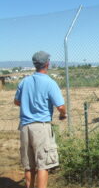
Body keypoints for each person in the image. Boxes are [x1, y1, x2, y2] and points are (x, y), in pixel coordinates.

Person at [14, 51, 67, 188]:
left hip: (25, 126)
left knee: (29, 166)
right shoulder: (50, 83)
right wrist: (62, 115)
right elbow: (61, 106)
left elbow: (17, 102)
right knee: (43, 165)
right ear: (47, 64)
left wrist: (28, 105)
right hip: (41, 127)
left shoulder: (24, 82)